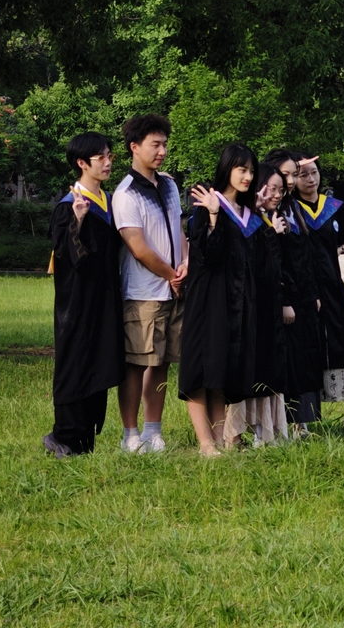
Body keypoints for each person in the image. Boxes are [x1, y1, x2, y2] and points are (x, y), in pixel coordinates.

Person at [43, 133, 126, 458]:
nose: (107, 162)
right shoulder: (69, 206)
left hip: (105, 298)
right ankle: (63, 436)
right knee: (76, 361)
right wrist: (77, 220)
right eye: (100, 157)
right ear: (82, 163)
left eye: (109, 156)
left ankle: (85, 440)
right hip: (76, 302)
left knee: (99, 361)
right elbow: (68, 257)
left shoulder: (108, 201)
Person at [178, 144, 263, 456]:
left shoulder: (249, 214)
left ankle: (220, 442)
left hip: (237, 304)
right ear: (227, 169)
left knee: (221, 373)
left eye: (251, 170)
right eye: (242, 169)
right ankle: (205, 443)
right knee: (201, 370)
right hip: (209, 300)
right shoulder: (208, 204)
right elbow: (205, 256)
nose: (247, 176)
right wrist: (214, 215)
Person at [112, 114, 186, 453]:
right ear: (134, 147)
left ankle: (153, 431)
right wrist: (172, 275)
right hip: (143, 293)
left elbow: (179, 229)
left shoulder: (169, 186)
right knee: (136, 363)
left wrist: (184, 266)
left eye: (165, 144)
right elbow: (138, 248)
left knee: (162, 362)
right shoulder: (125, 194)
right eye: (155, 145)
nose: (162, 151)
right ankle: (130, 434)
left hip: (174, 289)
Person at [293, 155, 344, 432]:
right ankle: (299, 423)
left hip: (333, 289)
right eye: (303, 174)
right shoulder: (289, 210)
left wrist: (339, 249)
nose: (310, 179)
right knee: (304, 353)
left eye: (314, 173)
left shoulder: (333, 208)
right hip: (302, 290)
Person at [223, 162, 292, 448]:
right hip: (249, 306)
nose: (275, 194)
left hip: (268, 307)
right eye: (270, 188)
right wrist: (270, 232)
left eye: (280, 190)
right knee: (247, 367)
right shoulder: (246, 218)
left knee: (268, 367)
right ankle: (234, 433)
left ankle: (266, 430)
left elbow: (276, 267)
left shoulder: (265, 219)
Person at [264, 149, 324, 437]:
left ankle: (303, 422)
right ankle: (283, 424)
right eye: (285, 174)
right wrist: (285, 300)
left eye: (293, 174)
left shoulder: (293, 208)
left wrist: (313, 294)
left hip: (304, 297)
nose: (290, 180)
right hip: (283, 298)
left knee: (306, 358)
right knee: (287, 361)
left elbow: (304, 255)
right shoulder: (269, 212)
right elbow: (278, 261)